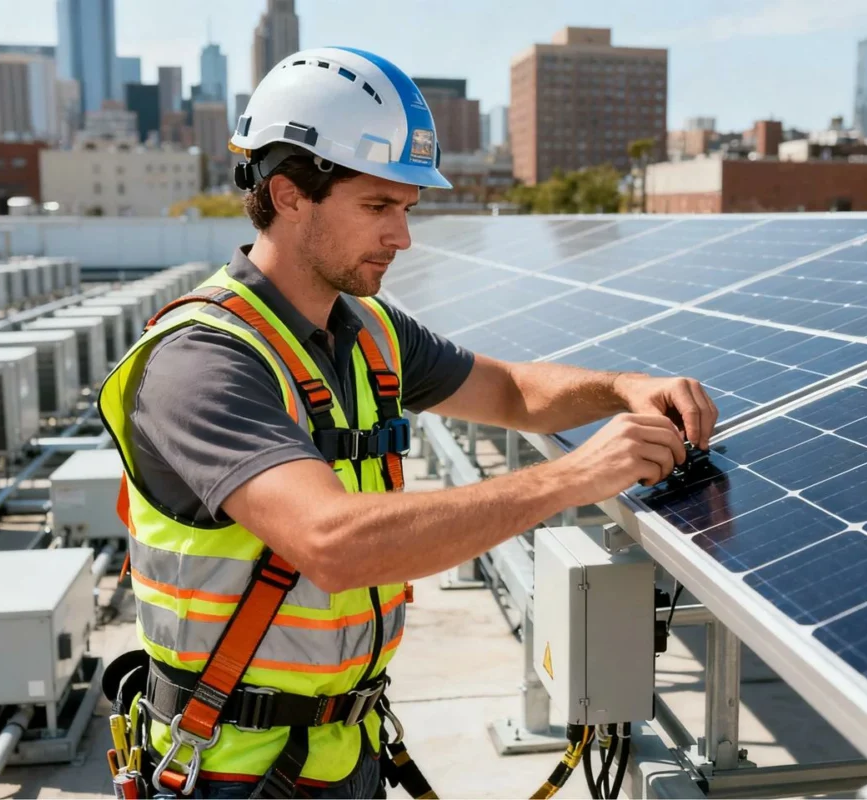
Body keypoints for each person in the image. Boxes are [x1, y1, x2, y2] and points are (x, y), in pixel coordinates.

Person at [97, 46, 717, 800]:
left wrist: (624, 387)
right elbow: (332, 543)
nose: (403, 236)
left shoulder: (370, 332)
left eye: (406, 208)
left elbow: (515, 393)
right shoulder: (203, 361)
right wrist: (578, 476)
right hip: (231, 771)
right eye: (377, 207)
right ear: (289, 195)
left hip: (343, 749)